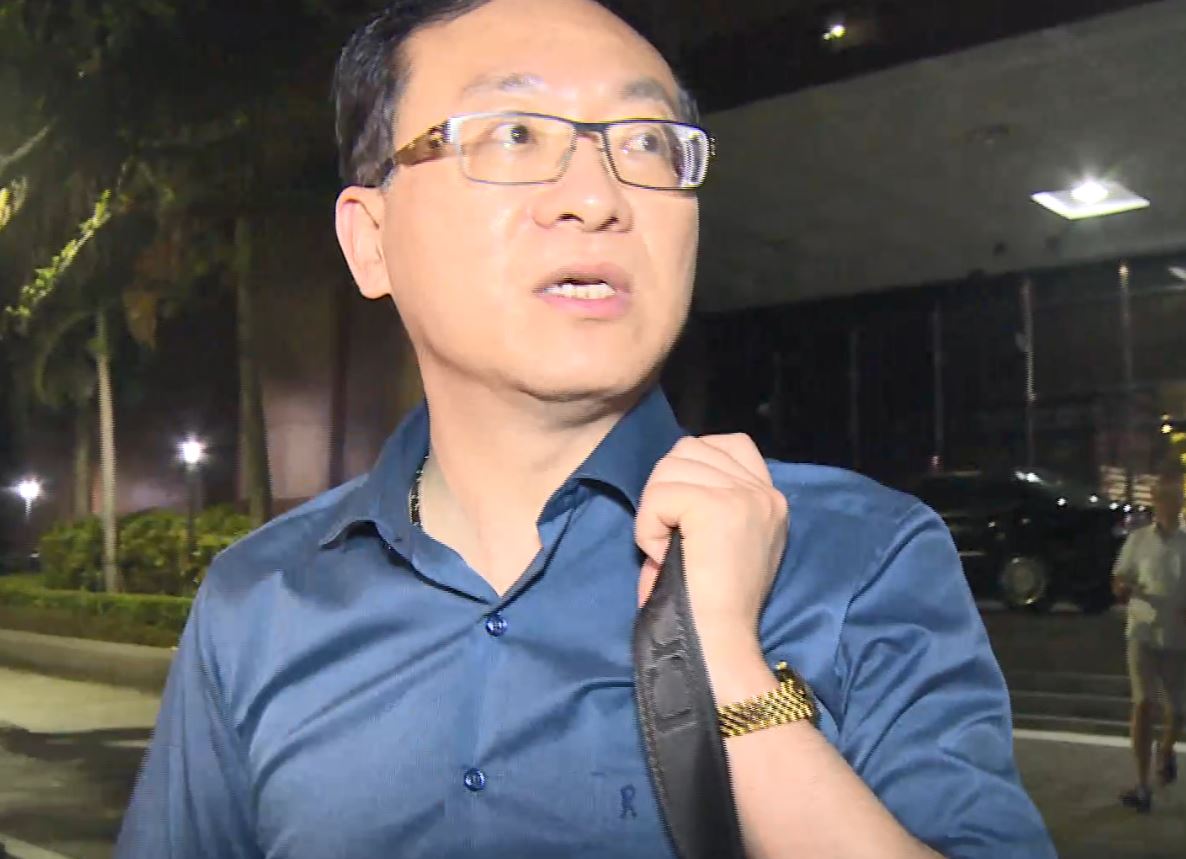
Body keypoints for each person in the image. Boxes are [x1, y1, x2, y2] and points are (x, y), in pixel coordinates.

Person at [115, 1, 1054, 856]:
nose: (598, 198)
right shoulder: (257, 600)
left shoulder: (861, 556)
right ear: (371, 240)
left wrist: (733, 672)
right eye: (515, 133)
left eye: (645, 143)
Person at [1113, 464, 1186, 813]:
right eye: (1164, 497)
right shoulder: (1138, 540)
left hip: (1179, 636)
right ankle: (1142, 785)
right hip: (1142, 630)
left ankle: (1167, 750)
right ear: (1155, 500)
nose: (1170, 503)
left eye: (1176, 497)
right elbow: (1119, 578)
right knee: (1143, 703)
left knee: (1178, 709)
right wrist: (1124, 588)